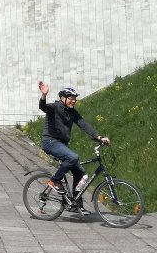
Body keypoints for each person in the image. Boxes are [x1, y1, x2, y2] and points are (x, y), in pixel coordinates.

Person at [38, 82, 109, 211]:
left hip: (62, 144)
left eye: (75, 99)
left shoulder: (72, 113)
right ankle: (55, 181)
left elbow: (83, 124)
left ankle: (76, 204)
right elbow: (43, 106)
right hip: (50, 142)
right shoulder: (54, 107)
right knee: (73, 157)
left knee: (81, 173)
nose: (74, 101)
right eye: (71, 99)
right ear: (63, 99)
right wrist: (44, 95)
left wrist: (98, 137)